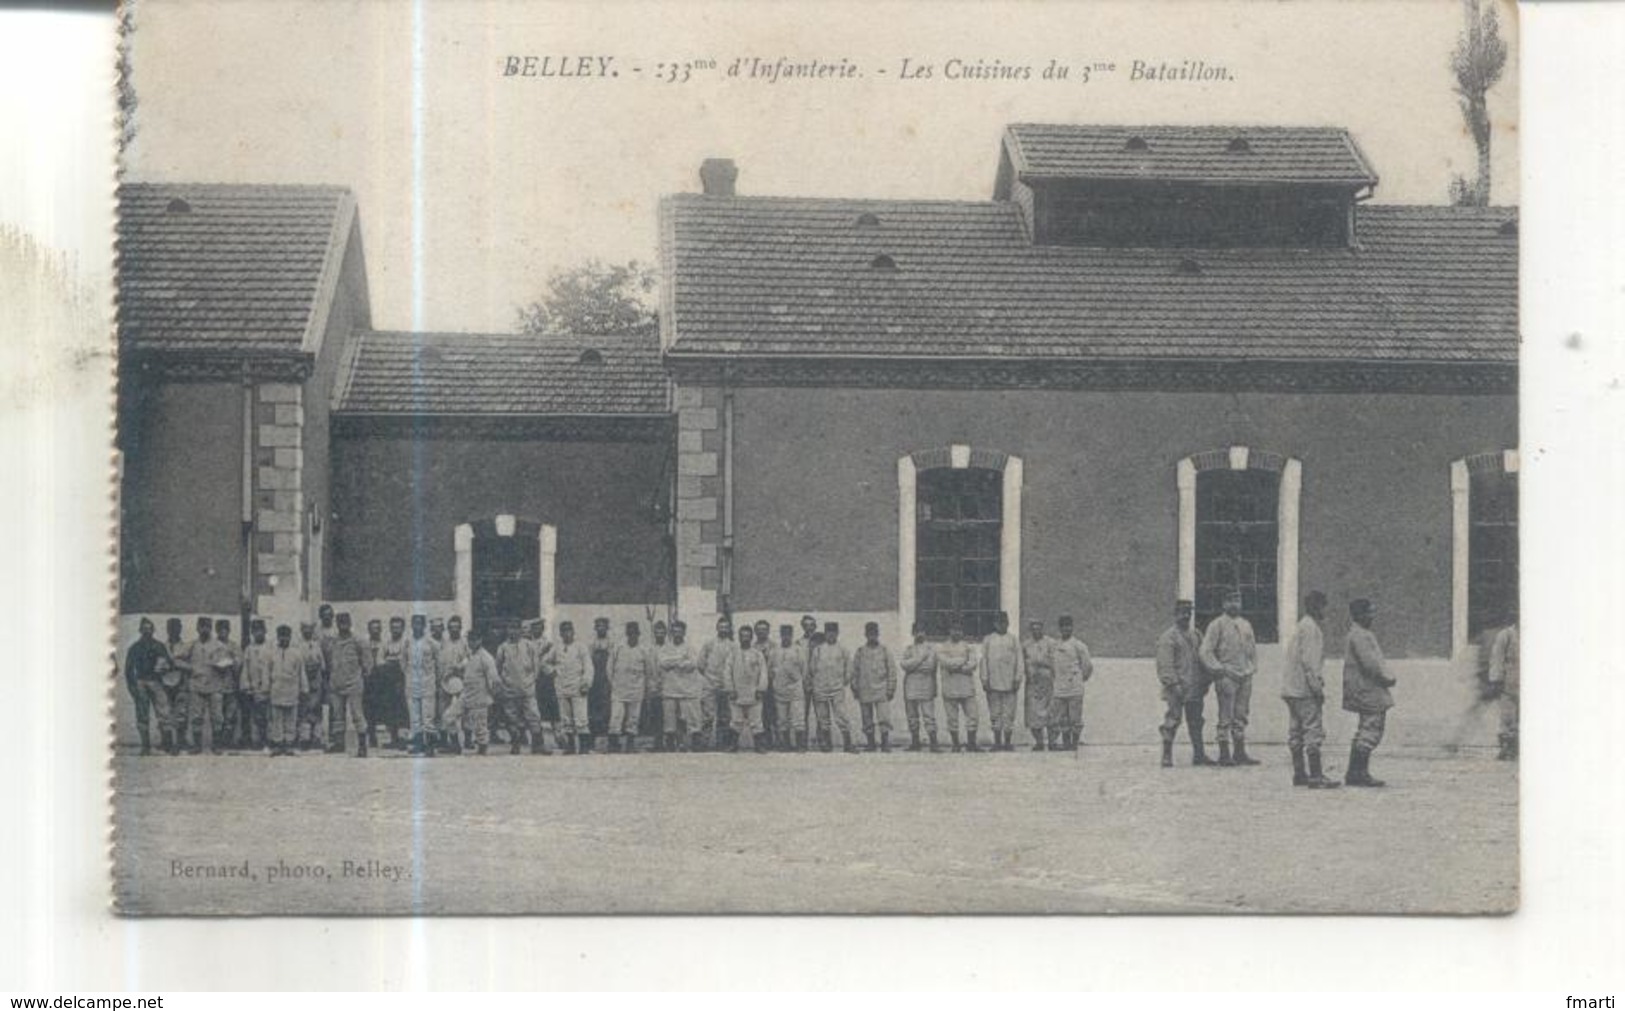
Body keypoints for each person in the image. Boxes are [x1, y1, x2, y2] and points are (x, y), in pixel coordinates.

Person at [1280, 591, 1338, 789]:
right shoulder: (1312, 629)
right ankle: (1316, 775)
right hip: (1305, 690)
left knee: (1295, 731)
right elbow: (1310, 663)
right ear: (1315, 606)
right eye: (1323, 606)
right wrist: (1317, 689)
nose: (1325, 610)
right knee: (1313, 730)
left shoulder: (1301, 627)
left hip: (1290, 689)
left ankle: (1299, 774)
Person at [1200, 589, 1259, 766]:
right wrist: (1219, 669)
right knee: (1225, 715)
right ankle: (1224, 753)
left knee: (1241, 714)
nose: (1235, 604)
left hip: (1244, 676)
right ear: (1223, 604)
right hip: (1227, 676)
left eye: (1238, 600)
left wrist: (1251, 668)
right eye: (1231, 600)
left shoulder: (1246, 624)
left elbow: (1252, 650)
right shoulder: (1216, 625)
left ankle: (1239, 752)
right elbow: (1205, 651)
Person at [1342, 598, 1397, 787]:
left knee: (1366, 729)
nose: (1372, 616)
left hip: (1364, 689)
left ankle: (1355, 772)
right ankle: (1358, 773)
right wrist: (1388, 678)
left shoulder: (1359, 634)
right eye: (1369, 612)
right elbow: (1371, 664)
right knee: (1371, 729)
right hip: (1368, 690)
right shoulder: (1361, 636)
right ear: (1360, 615)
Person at [1154, 601, 1207, 766]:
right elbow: (1165, 664)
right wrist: (1173, 684)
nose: (1186, 616)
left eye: (1188, 613)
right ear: (1175, 614)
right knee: (1172, 720)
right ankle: (1166, 755)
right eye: (1182, 613)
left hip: (1194, 687)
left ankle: (1199, 755)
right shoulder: (1168, 637)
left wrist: (1204, 682)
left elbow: (1203, 659)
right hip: (1176, 688)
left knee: (1196, 721)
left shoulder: (1196, 635)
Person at [124, 617, 175, 756]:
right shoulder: (134, 648)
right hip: (140, 682)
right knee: (142, 714)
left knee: (164, 712)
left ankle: (167, 744)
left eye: (150, 628)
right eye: (145, 629)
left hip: (156, 682)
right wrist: (132, 687)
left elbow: (169, 663)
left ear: (153, 630)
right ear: (140, 630)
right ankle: (145, 746)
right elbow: (128, 670)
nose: (147, 631)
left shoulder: (159, 646)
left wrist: (164, 667)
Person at [496, 622, 548, 755]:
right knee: (512, 718)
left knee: (534, 716)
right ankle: (515, 744)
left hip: (527, 689)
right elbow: (498, 668)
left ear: (520, 630)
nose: (512, 631)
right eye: (510, 628)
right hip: (509, 690)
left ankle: (538, 745)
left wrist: (530, 682)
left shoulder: (529, 645)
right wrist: (503, 685)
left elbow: (536, 666)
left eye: (515, 628)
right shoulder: (502, 648)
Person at [327, 612, 371, 757]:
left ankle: (362, 745)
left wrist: (362, 676)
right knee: (337, 715)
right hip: (336, 683)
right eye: (340, 623)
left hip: (353, 683)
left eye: (345, 623)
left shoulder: (359, 640)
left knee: (357, 714)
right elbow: (328, 660)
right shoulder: (332, 640)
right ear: (337, 624)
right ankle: (339, 743)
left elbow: (367, 663)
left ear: (350, 623)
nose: (343, 626)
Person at [809, 624, 859, 753]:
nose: (831, 635)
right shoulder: (818, 650)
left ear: (837, 633)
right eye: (828, 632)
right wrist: (817, 683)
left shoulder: (843, 649)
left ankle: (848, 744)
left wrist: (843, 682)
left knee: (841, 715)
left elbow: (849, 668)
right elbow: (812, 669)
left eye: (833, 632)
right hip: (820, 688)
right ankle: (827, 744)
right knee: (823, 718)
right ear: (825, 634)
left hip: (837, 689)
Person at [979, 612, 1024, 752]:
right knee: (995, 713)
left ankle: (1007, 742)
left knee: (1009, 714)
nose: (1001, 625)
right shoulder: (988, 640)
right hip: (993, 683)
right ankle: (997, 742)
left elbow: (1020, 661)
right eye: (998, 622)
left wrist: (1017, 679)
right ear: (994, 624)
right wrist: (984, 679)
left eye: (1004, 622)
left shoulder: (1014, 640)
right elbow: (983, 661)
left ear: (1008, 623)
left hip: (1010, 683)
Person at [851, 621, 898, 752]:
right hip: (864, 690)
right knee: (867, 718)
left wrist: (891, 688)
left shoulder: (885, 651)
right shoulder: (860, 652)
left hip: (881, 690)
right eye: (870, 634)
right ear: (865, 635)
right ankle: (871, 743)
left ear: (878, 634)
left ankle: (885, 743)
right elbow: (854, 671)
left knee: (884, 717)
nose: (872, 637)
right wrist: (855, 688)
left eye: (874, 634)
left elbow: (892, 671)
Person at [185, 617, 229, 755]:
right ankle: (197, 746)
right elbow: (176, 658)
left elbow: (227, 662)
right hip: (197, 685)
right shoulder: (192, 645)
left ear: (211, 629)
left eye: (207, 627)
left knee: (217, 717)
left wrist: (221, 665)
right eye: (202, 627)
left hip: (215, 685)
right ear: (197, 628)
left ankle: (217, 746)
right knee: (196, 716)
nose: (205, 629)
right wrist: (189, 667)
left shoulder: (219, 646)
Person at [659, 620, 704, 751]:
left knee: (692, 718)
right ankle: (671, 744)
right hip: (670, 688)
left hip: (687, 689)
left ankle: (694, 743)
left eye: (680, 631)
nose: (677, 634)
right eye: (674, 631)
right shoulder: (665, 648)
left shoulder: (690, 647)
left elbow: (693, 664)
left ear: (684, 632)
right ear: (671, 633)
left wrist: (675, 662)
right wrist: (680, 660)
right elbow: (662, 663)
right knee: (670, 720)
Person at [937, 620, 981, 753]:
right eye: (953, 629)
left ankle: (971, 743)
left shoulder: (968, 647)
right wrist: (962, 661)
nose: (956, 632)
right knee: (952, 718)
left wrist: (957, 666)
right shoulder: (942, 647)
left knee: (973, 716)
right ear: (949, 631)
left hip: (967, 687)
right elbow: (945, 662)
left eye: (959, 629)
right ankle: (955, 744)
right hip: (950, 688)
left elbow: (973, 664)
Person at [1050, 615, 1092, 753]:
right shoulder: (1055, 646)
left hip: (1074, 688)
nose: (1065, 629)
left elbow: (1087, 666)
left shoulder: (1079, 646)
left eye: (1068, 626)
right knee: (1061, 717)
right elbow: (1052, 665)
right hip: (1060, 687)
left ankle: (1074, 742)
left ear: (1072, 628)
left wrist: (1079, 679)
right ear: (1060, 629)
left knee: (1075, 717)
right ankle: (1065, 742)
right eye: (1063, 627)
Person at [726, 624, 770, 753]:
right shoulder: (733, 654)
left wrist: (761, 689)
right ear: (738, 637)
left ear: (751, 638)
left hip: (754, 693)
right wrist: (731, 689)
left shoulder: (757, 654)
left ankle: (759, 746)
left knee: (756, 721)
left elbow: (763, 672)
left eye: (747, 636)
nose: (745, 639)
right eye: (742, 636)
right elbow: (727, 672)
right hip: (737, 693)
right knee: (736, 720)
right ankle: (732, 745)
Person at [608, 621, 651, 753]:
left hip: (636, 690)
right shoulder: (618, 648)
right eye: (630, 633)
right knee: (616, 717)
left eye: (635, 633)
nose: (632, 636)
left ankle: (630, 743)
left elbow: (648, 671)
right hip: (619, 690)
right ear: (627, 634)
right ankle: (614, 744)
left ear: (638, 635)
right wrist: (613, 684)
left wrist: (645, 688)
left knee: (633, 718)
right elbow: (609, 668)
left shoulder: (644, 650)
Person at [266, 624, 308, 757]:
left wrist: (304, 689)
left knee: (291, 719)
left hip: (292, 691)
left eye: (286, 637)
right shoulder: (272, 653)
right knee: (277, 719)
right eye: (281, 637)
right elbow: (267, 672)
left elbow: (302, 673)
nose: (284, 639)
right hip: (276, 690)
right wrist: (265, 689)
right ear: (278, 637)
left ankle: (289, 743)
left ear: (290, 637)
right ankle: (278, 744)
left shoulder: (296, 654)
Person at [402, 614, 440, 756]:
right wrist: (409, 675)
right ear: (411, 625)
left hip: (428, 683)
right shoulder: (407, 642)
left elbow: (438, 661)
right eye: (414, 624)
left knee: (428, 717)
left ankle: (430, 746)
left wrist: (433, 678)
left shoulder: (431, 643)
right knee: (415, 717)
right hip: (412, 683)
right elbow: (403, 661)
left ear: (424, 626)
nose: (417, 626)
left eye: (420, 624)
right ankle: (418, 745)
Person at [698, 616, 738, 750]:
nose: (723, 630)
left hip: (725, 686)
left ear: (729, 629)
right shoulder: (709, 644)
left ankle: (722, 743)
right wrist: (710, 678)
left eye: (726, 627)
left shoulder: (733, 646)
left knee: (724, 717)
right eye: (721, 627)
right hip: (710, 685)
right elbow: (700, 664)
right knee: (707, 716)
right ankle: (703, 743)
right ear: (717, 628)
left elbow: (735, 667)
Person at [899, 623, 940, 753]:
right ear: (913, 633)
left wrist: (914, 665)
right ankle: (915, 742)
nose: (919, 634)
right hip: (910, 686)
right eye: (917, 631)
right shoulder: (909, 649)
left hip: (926, 685)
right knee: (912, 716)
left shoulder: (931, 650)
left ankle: (934, 743)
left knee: (929, 716)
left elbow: (930, 667)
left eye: (922, 631)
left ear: (925, 633)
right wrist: (920, 659)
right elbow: (904, 665)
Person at [553, 620, 593, 754]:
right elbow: (544, 662)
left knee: (581, 719)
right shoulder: (557, 648)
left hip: (578, 687)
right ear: (560, 633)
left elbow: (588, 667)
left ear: (573, 632)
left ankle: (584, 747)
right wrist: (552, 671)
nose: (567, 634)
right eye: (564, 631)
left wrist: (586, 683)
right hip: (562, 687)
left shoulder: (580, 647)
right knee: (566, 719)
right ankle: (570, 746)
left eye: (569, 630)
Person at [460, 629, 500, 755]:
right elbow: (463, 669)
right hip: (467, 694)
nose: (471, 642)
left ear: (480, 640)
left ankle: (482, 748)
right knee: (452, 717)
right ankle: (465, 741)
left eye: (474, 640)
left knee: (480, 724)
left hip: (480, 696)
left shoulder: (486, 657)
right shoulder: (469, 655)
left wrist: (493, 695)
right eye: (470, 640)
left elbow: (493, 679)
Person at [769, 624, 809, 752]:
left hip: (795, 690)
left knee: (798, 718)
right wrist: (776, 682)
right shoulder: (774, 651)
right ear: (780, 635)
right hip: (779, 691)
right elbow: (770, 669)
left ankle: (800, 745)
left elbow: (804, 669)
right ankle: (785, 745)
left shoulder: (798, 650)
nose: (786, 637)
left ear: (791, 635)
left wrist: (798, 682)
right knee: (782, 719)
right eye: (783, 634)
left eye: (788, 634)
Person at [437, 615, 473, 755]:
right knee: (444, 712)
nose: (454, 630)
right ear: (448, 629)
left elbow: (470, 659)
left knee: (465, 711)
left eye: (456, 627)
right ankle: (450, 741)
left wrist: (460, 666)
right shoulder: (443, 642)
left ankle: (468, 739)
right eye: (451, 627)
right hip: (445, 681)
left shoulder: (465, 643)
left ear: (460, 628)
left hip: (461, 680)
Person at [1022, 619, 1057, 751]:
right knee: (1033, 713)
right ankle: (1039, 742)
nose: (1036, 631)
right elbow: (1024, 662)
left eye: (1039, 628)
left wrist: (1041, 663)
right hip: (1033, 683)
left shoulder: (1051, 643)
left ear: (1043, 629)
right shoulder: (1026, 644)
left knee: (1051, 712)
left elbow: (1054, 661)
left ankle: (1052, 742)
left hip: (1048, 682)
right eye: (1034, 629)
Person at [1488, 615, 1520, 761]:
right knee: (1508, 716)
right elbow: (1497, 658)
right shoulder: (1506, 635)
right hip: (1510, 683)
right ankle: (1508, 747)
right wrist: (1496, 679)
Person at [296, 620, 328, 751]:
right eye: (305, 629)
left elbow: (323, 664)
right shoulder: (298, 646)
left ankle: (317, 737)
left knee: (317, 709)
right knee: (304, 710)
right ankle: (304, 738)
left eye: (310, 629)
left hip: (316, 680)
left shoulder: (316, 645)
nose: (307, 632)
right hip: (304, 680)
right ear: (302, 631)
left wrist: (319, 674)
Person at [241, 619, 272, 751]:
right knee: (256, 716)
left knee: (267, 715)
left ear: (265, 631)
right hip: (253, 687)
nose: (258, 634)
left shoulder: (271, 647)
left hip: (267, 687)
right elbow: (245, 668)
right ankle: (256, 740)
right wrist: (246, 685)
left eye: (260, 630)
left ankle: (268, 740)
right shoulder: (249, 649)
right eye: (255, 631)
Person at [529, 618, 560, 749]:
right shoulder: (527, 644)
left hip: (546, 680)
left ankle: (559, 737)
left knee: (553, 709)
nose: (537, 630)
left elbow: (554, 661)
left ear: (543, 629)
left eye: (539, 627)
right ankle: (538, 740)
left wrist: (552, 672)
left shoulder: (549, 643)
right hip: (532, 679)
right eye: (534, 627)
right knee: (535, 710)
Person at [164, 618, 192, 751]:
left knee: (182, 713)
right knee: (167, 712)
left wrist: (177, 663)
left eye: (176, 628)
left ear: (180, 629)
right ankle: (168, 742)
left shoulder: (186, 647)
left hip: (181, 683)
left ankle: (181, 741)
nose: (173, 631)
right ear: (167, 630)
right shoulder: (162, 646)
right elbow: (157, 665)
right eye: (171, 628)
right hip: (166, 683)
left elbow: (192, 666)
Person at [214, 619, 243, 748]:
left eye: (225, 629)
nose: (223, 632)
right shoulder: (212, 645)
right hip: (216, 686)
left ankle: (229, 741)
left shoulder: (234, 646)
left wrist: (233, 660)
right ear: (217, 631)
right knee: (217, 716)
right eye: (220, 630)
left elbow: (239, 664)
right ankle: (218, 742)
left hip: (231, 685)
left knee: (230, 715)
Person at [642, 619, 668, 748]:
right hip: (653, 687)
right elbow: (647, 669)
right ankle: (657, 742)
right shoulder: (650, 650)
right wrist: (649, 686)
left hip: (668, 687)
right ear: (654, 634)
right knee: (655, 714)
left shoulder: (669, 648)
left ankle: (669, 742)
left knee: (668, 716)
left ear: (666, 633)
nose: (659, 635)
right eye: (657, 632)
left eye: (662, 632)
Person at [588, 616, 614, 742]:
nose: (601, 628)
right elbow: (588, 660)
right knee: (594, 704)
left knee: (607, 704)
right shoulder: (592, 643)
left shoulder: (612, 643)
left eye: (603, 626)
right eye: (598, 626)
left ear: (607, 628)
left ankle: (606, 731)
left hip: (606, 677)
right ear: (595, 628)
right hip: (595, 676)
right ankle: (594, 731)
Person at [753, 620, 778, 745]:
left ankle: (779, 742)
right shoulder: (753, 648)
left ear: (768, 631)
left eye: (764, 629)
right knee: (761, 715)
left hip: (773, 686)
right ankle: (766, 742)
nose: (761, 632)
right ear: (755, 631)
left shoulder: (775, 647)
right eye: (759, 630)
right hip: (758, 686)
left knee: (775, 714)